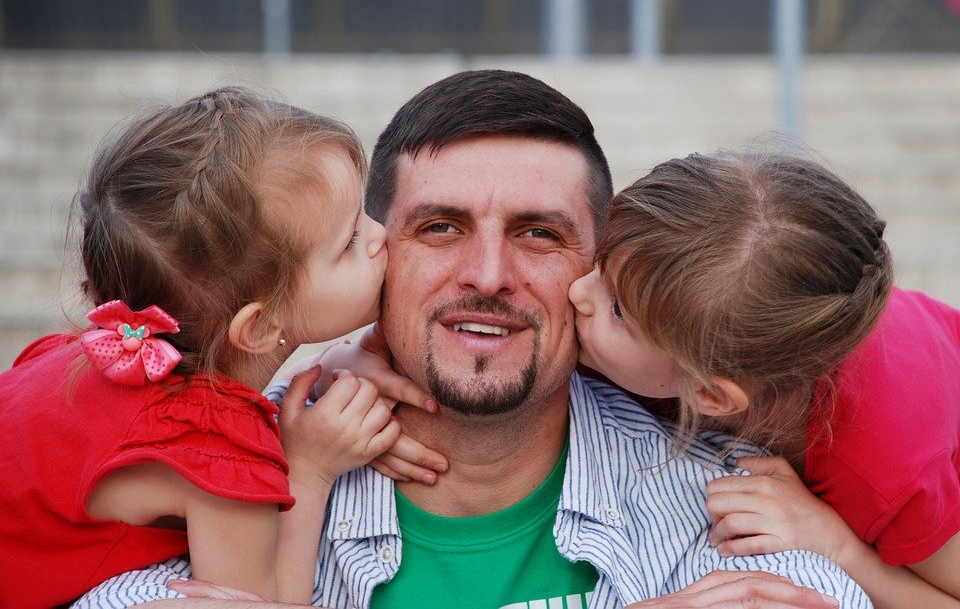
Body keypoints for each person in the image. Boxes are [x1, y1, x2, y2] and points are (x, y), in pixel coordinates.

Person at [75, 71, 869, 607]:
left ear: (603, 272)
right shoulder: (207, 470)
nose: (487, 274)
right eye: (441, 227)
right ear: (372, 254)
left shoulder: (731, 506)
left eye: (539, 234)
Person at [0, 86, 422, 606]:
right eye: (349, 242)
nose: (381, 233)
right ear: (262, 326)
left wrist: (331, 361)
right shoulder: (213, 448)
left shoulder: (88, 354)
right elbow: (262, 603)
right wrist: (310, 468)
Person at [568, 149, 960, 607]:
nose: (577, 291)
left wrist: (838, 545)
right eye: (600, 262)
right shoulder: (708, 331)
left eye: (617, 309)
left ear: (711, 395)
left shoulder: (888, 466)